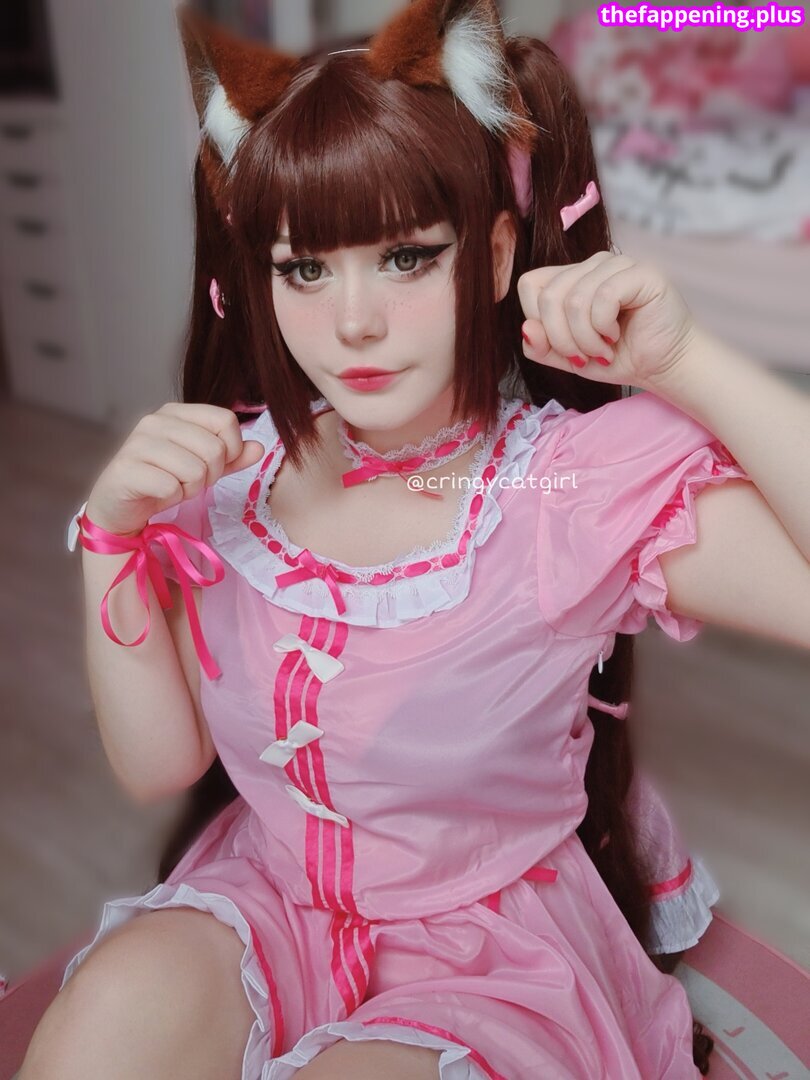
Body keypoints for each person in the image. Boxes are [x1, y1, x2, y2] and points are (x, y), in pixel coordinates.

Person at [20, 1, 810, 1077]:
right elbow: (164, 765)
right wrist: (113, 537)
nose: (353, 321)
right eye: (305, 269)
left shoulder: (564, 486)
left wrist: (686, 365)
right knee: (98, 1028)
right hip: (268, 900)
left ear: (493, 255)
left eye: (404, 257)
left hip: (487, 951)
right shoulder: (231, 478)